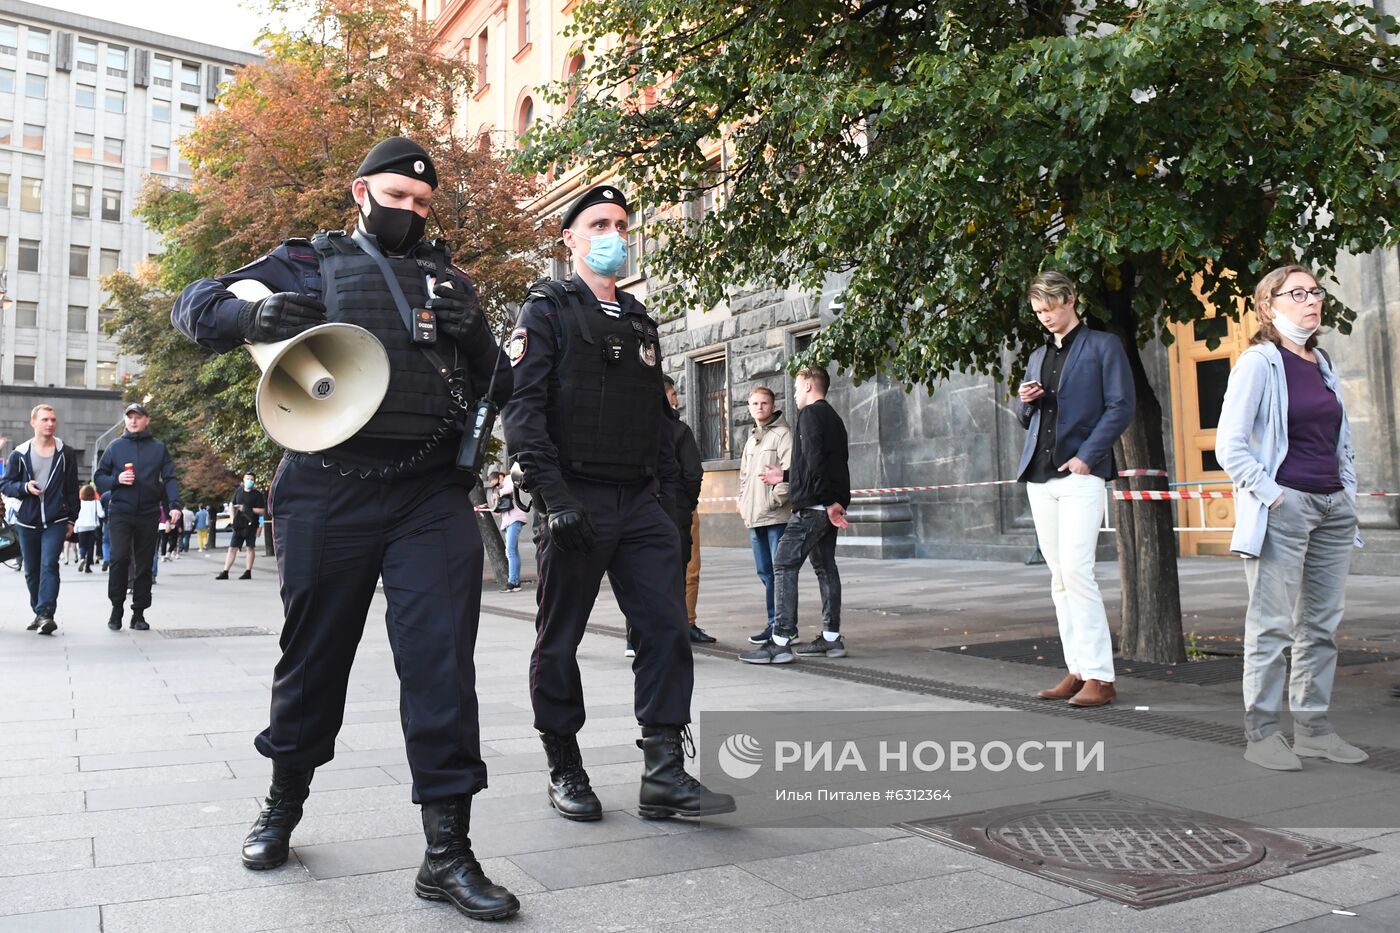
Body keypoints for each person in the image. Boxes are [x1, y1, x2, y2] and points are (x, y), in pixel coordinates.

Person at [171, 137, 519, 921]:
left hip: (429, 494)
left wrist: (477, 335)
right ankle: (282, 803)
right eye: (397, 197)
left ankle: (447, 852)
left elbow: (503, 385)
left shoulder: (450, 280)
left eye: (423, 203)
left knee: (441, 664)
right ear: (360, 191)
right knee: (314, 656)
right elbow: (192, 306)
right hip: (328, 489)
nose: (410, 212)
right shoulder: (305, 264)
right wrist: (253, 312)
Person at [503, 182, 735, 825]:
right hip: (573, 501)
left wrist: (669, 508)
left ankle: (663, 771)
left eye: (623, 225)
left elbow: (660, 426)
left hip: (638, 507)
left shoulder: (639, 321)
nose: (614, 235)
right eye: (599, 223)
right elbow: (522, 413)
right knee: (559, 640)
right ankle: (565, 765)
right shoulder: (546, 310)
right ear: (570, 238)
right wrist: (553, 499)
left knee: (665, 632)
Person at [1217, 265, 1365, 771]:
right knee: (1272, 627)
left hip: (1332, 507)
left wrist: (1347, 491)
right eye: (1296, 293)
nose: (1310, 301)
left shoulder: (1321, 361)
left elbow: (1336, 435)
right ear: (1268, 305)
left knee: (1320, 626)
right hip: (1287, 507)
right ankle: (1260, 735)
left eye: (1315, 292)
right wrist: (1273, 496)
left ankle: (1314, 731)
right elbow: (1229, 447)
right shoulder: (1259, 362)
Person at [1013, 271, 1134, 708]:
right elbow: (1026, 418)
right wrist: (1025, 402)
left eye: (1050, 309)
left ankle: (1102, 676)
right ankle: (1078, 669)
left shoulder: (1103, 345)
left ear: (1070, 300)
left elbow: (1122, 405)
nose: (1045, 318)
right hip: (1040, 477)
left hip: (1081, 473)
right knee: (1059, 578)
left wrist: (1088, 455)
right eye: (1038, 312)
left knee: (1079, 573)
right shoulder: (1036, 355)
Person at [739, 366, 851, 664]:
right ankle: (831, 637)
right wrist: (786, 474)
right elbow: (823, 462)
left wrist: (827, 503)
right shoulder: (834, 418)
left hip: (815, 507)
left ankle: (780, 640)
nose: (795, 394)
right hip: (828, 504)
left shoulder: (811, 415)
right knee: (825, 567)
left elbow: (815, 462)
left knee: (783, 564)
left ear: (810, 387)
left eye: (798, 388)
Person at [95, 403, 180, 631]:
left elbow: (170, 478)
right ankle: (116, 608)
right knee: (120, 558)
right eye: (129, 417)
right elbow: (99, 478)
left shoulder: (158, 448)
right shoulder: (114, 447)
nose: (133, 421)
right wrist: (117, 480)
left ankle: (139, 613)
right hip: (121, 511)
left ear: (146, 420)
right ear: (125, 420)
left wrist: (174, 505)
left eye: (138, 417)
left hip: (149, 513)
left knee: (144, 565)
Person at [2, 404, 80, 635]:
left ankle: (46, 613)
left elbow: (72, 489)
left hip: (56, 520)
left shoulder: (66, 453)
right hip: (26, 521)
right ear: (33, 422)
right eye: (45, 419)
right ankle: (38, 612)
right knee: (31, 570)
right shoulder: (20, 453)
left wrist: (72, 520)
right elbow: (5, 484)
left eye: (53, 420)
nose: (50, 424)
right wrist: (25, 487)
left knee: (49, 565)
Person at [737, 385, 793, 644]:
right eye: (755, 404)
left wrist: (774, 499)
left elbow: (789, 472)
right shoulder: (751, 439)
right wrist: (742, 501)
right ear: (749, 407)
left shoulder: (783, 435)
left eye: (764, 403)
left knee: (779, 573)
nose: (759, 407)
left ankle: (783, 626)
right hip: (753, 516)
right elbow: (744, 476)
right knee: (765, 574)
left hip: (774, 516)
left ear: (772, 406)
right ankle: (773, 623)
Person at [662, 375, 712, 644]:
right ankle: (683, 626)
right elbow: (693, 474)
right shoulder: (679, 431)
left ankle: (635, 636)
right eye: (671, 393)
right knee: (685, 569)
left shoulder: (635, 428)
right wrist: (688, 504)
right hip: (678, 512)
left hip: (644, 510)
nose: (676, 398)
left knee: (641, 571)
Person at [216, 473, 266, 579]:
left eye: (252, 479)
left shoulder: (257, 494)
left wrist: (247, 508)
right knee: (232, 548)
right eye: (248, 479)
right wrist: (232, 518)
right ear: (243, 480)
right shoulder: (238, 492)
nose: (249, 481)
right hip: (239, 524)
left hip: (251, 524)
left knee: (250, 547)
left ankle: (248, 571)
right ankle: (225, 571)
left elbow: (262, 511)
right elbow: (232, 504)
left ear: (254, 481)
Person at [489, 470, 528, 593]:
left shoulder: (509, 479)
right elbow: (498, 510)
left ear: (500, 477)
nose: (497, 486)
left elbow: (512, 487)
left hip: (515, 520)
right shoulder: (501, 488)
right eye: (494, 485)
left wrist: (499, 493)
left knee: (510, 551)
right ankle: (515, 582)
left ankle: (512, 582)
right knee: (512, 551)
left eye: (497, 483)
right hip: (509, 522)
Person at [75, 484, 104, 573]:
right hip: (92, 526)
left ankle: (82, 557)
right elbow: (101, 514)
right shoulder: (96, 502)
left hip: (81, 526)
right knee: (90, 546)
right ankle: (88, 567)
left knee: (82, 544)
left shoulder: (80, 502)